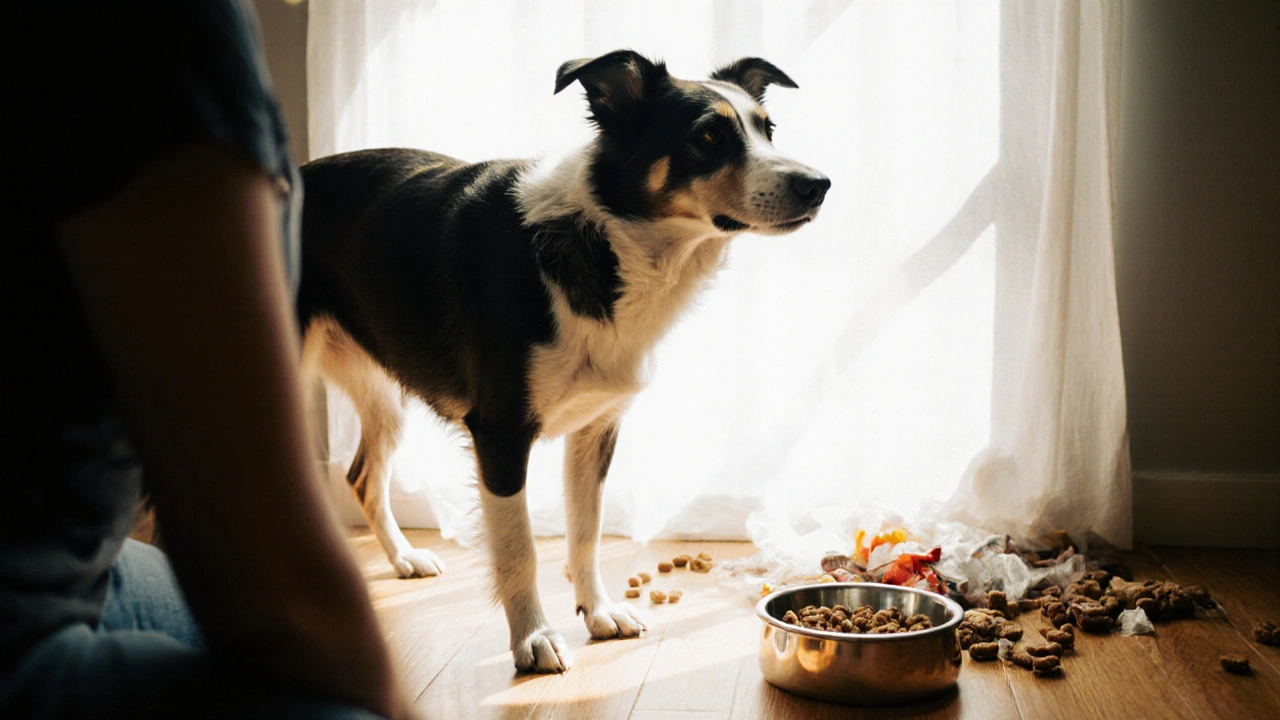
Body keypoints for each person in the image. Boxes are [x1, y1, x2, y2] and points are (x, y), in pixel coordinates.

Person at [1, 2, 418, 718]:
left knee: (178, 598)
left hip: (62, 560)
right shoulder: (159, 29)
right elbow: (276, 597)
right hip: (19, 635)